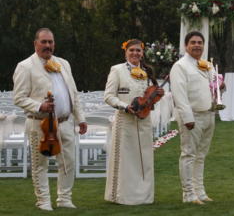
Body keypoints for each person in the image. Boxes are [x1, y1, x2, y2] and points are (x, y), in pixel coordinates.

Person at [13, 28, 88, 211]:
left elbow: (74, 94)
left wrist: (81, 119)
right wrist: (40, 106)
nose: (48, 45)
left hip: (65, 122)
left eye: (50, 42)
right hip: (40, 124)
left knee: (68, 162)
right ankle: (43, 201)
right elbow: (19, 97)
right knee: (40, 164)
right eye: (44, 42)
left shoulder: (63, 63)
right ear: (35, 44)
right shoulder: (25, 66)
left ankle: (64, 198)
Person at [104, 39, 164, 205]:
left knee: (143, 159)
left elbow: (150, 99)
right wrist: (125, 106)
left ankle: (143, 196)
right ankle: (122, 196)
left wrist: (157, 96)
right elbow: (108, 96)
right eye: (132, 50)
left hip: (144, 122)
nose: (135, 53)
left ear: (142, 53)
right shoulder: (116, 70)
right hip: (125, 121)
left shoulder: (147, 72)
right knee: (125, 160)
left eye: (138, 50)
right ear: (126, 52)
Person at [170, 31, 222, 205]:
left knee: (201, 156)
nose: (197, 45)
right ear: (186, 45)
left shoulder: (206, 65)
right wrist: (187, 118)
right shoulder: (180, 66)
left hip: (208, 115)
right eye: (193, 42)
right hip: (192, 117)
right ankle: (188, 194)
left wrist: (221, 87)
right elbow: (179, 94)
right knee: (188, 155)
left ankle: (200, 191)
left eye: (200, 42)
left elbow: (213, 89)